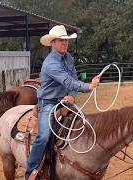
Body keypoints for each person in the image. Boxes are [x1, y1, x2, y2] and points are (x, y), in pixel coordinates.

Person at [25, 25, 101, 179]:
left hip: (64, 101)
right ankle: (30, 173)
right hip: (48, 102)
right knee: (44, 136)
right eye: (61, 40)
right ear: (52, 43)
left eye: (66, 40)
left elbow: (72, 79)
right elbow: (68, 81)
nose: (65, 43)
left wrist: (72, 96)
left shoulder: (68, 57)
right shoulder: (51, 63)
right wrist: (88, 86)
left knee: (84, 125)